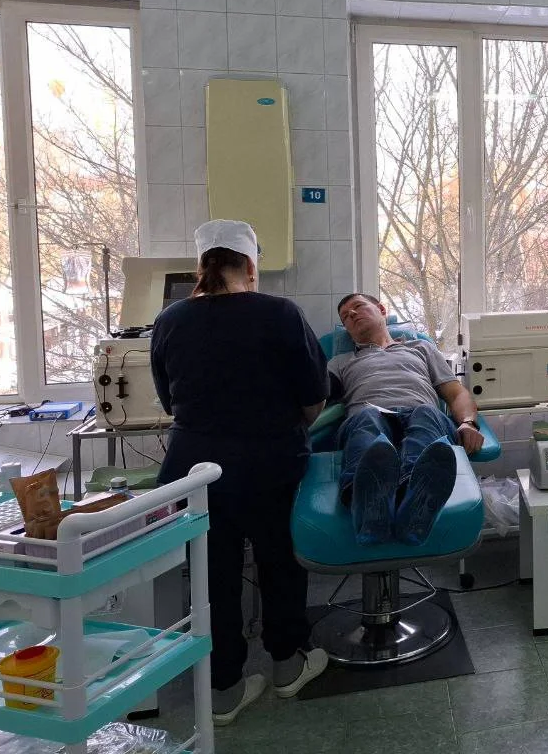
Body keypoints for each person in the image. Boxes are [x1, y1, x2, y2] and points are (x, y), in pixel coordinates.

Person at [151, 220, 330, 725]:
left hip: (195, 470)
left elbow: (169, 401)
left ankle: (224, 689)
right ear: (250, 265)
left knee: (212, 577)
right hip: (270, 461)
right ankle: (288, 666)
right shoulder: (280, 313)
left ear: (200, 267)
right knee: (279, 563)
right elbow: (314, 396)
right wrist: (285, 424)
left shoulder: (169, 320)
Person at [328, 293, 486, 545]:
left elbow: (456, 393)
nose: (352, 315)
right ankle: (368, 505)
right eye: (345, 316)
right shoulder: (340, 362)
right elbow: (315, 396)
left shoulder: (421, 349)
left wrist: (468, 422)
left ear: (381, 310)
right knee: (367, 419)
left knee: (427, 412)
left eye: (358, 306)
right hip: (369, 416)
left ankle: (415, 501)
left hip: (421, 417)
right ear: (346, 329)